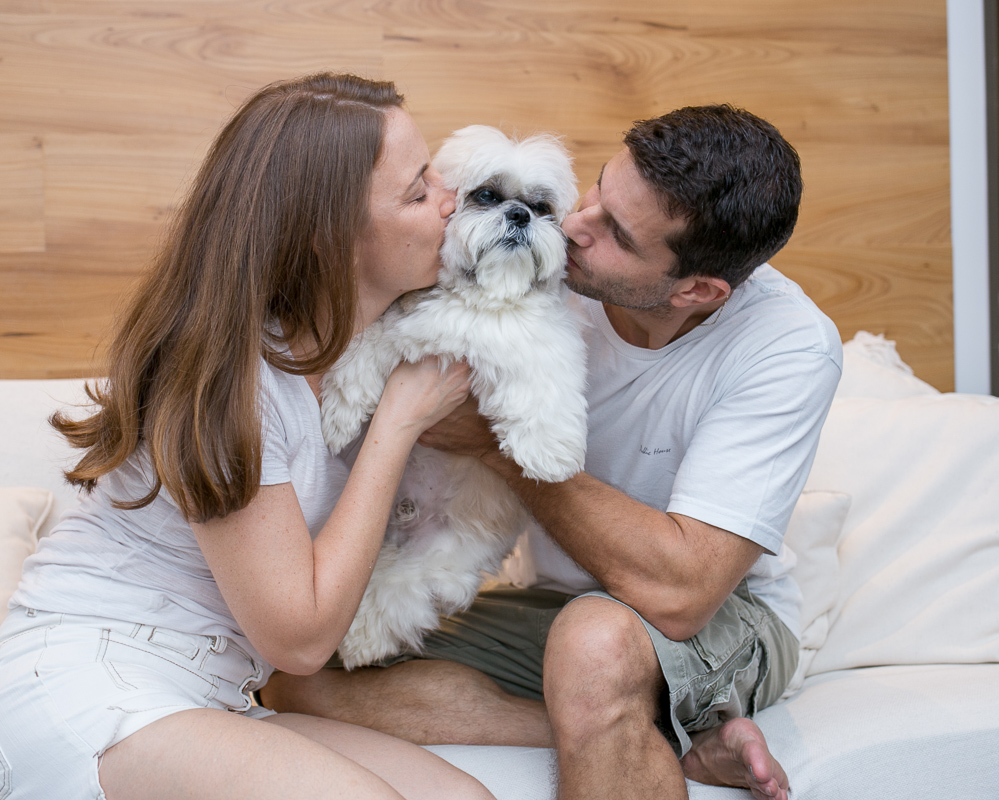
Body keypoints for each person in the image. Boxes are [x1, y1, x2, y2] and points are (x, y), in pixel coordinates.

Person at [263, 105, 842, 800]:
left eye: (617, 235)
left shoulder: (787, 347)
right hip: (555, 603)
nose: (574, 225)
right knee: (298, 677)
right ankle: (678, 739)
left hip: (725, 616)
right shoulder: (542, 263)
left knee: (593, 640)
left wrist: (490, 445)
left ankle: (638, 708)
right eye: (597, 190)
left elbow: (684, 595)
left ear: (695, 291)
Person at [0, 73, 497, 800]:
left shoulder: (357, 350)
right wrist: (398, 423)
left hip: (209, 690)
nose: (452, 201)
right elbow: (297, 642)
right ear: (331, 238)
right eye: (418, 192)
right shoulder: (232, 378)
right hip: (89, 677)